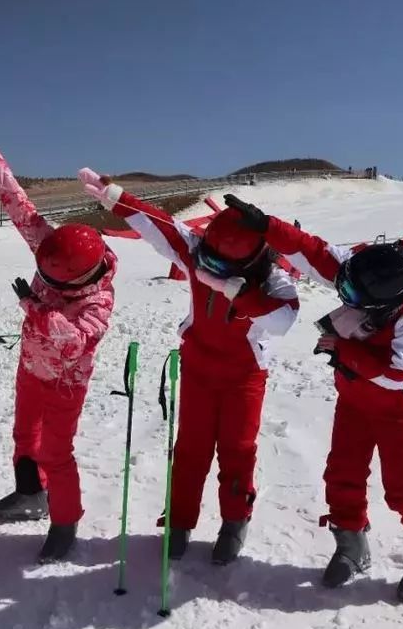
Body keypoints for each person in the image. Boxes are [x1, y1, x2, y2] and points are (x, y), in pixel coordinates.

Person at [224, 193, 403, 602]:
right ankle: (350, 546)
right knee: (342, 473)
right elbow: (313, 251)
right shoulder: (365, 270)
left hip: (399, 409)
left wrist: (344, 350)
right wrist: (265, 224)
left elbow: (401, 371)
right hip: (354, 398)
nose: (346, 301)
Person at [79, 169, 299, 565]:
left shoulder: (273, 278)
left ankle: (234, 521)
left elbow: (284, 319)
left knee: (238, 450)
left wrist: (240, 294)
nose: (210, 268)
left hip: (243, 378)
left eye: (223, 265)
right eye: (209, 258)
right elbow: (160, 227)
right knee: (191, 449)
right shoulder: (199, 249)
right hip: (198, 368)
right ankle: (179, 522)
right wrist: (115, 196)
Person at [0, 125, 116, 563]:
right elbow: (20, 208)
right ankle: (30, 494)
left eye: (55, 283)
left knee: (56, 452)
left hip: (65, 384)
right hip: (32, 367)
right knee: (24, 437)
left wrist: (36, 308)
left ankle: (65, 522)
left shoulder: (99, 298)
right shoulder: (53, 247)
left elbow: (73, 342)